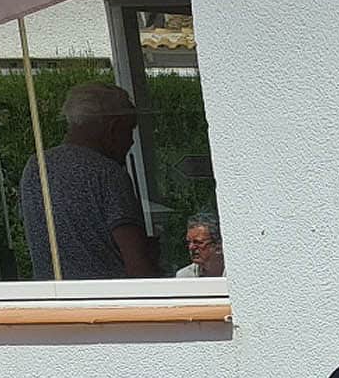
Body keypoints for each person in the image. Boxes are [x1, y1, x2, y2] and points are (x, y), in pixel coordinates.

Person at [18, 82, 154, 280]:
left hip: (55, 299)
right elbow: (137, 264)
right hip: (110, 300)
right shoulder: (107, 173)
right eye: (129, 130)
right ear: (112, 128)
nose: (131, 141)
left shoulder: (35, 167)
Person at [176, 210, 224, 278]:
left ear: (218, 246)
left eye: (198, 242)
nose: (191, 247)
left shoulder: (236, 273)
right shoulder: (185, 277)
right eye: (189, 242)